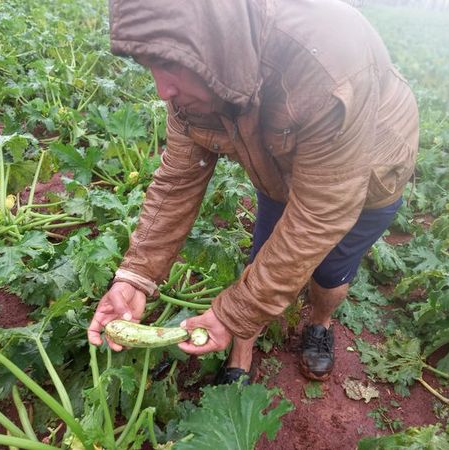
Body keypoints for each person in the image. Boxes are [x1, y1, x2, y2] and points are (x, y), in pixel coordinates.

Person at [88, 0, 419, 384]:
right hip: (279, 162)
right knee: (263, 253)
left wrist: (237, 310)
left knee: (329, 274)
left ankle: (320, 322)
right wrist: (136, 275)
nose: (163, 89)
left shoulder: (326, 63)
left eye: (173, 64)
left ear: (220, 43)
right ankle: (242, 348)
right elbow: (179, 178)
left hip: (368, 173)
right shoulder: (197, 72)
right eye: (152, 66)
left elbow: (320, 212)